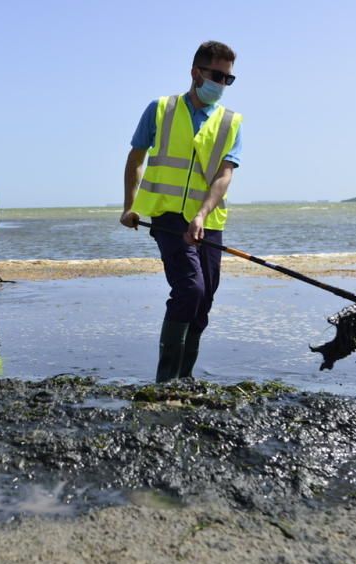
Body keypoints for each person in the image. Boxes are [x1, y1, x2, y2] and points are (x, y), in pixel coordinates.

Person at [120, 41, 243, 382]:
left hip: (208, 221)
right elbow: (136, 159)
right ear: (195, 73)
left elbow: (224, 175)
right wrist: (130, 206)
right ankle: (165, 381)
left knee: (204, 301)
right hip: (168, 217)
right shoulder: (161, 109)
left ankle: (185, 378)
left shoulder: (230, 122)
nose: (221, 84)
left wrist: (202, 215)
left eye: (228, 79)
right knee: (191, 289)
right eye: (216, 75)